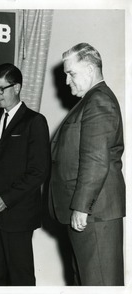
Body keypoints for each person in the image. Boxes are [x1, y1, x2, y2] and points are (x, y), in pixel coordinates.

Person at [48, 43, 125, 286]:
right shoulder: (89, 101)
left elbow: (95, 158)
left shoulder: (98, 101)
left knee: (99, 283)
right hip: (87, 214)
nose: (67, 81)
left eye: (71, 73)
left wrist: (82, 207)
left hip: (93, 214)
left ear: (90, 69)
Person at [0, 63, 50, 286]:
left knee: (20, 279)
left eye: (1, 89)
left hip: (17, 216)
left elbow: (39, 171)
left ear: (16, 87)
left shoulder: (35, 122)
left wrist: (6, 199)